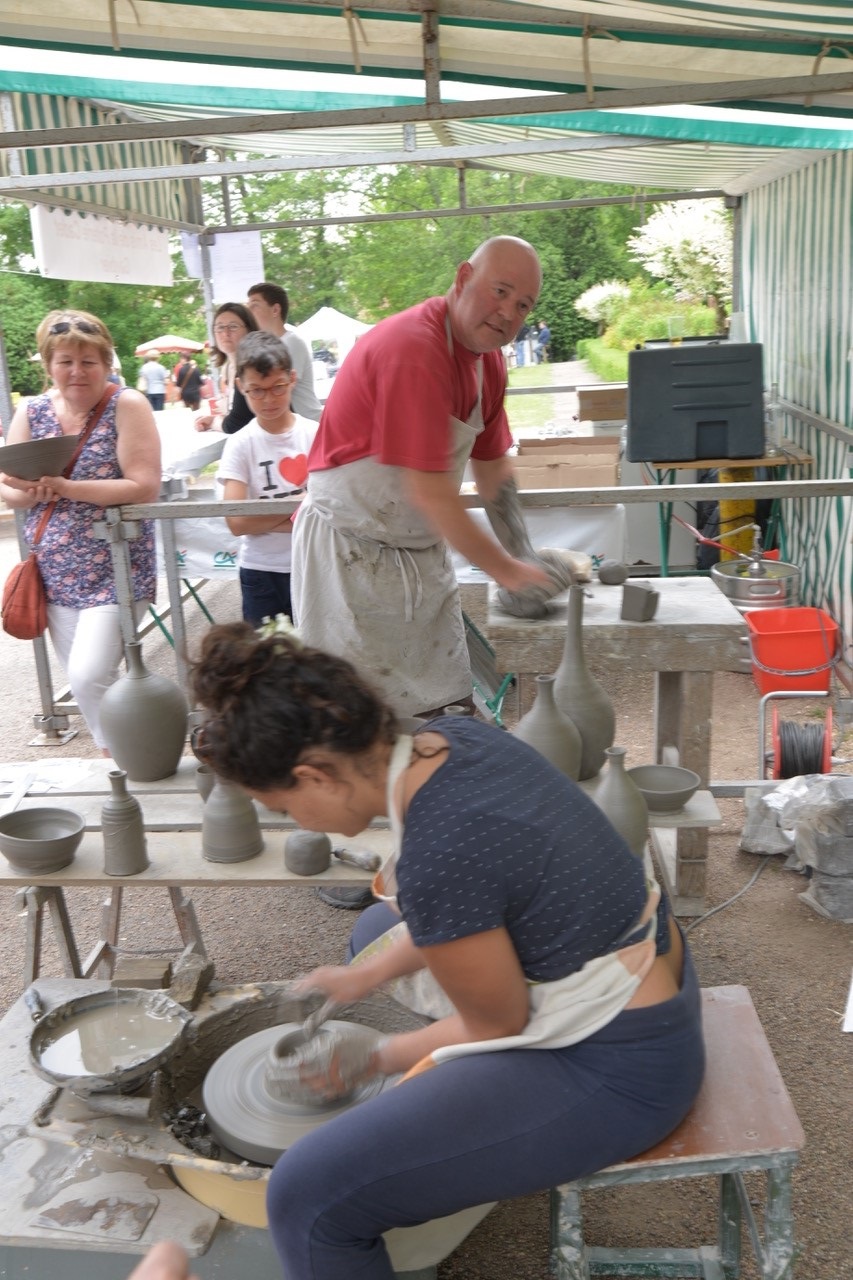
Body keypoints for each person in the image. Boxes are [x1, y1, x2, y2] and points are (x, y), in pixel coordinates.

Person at [189, 624, 706, 1280]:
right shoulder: (455, 740)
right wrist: (364, 976)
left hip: (621, 1064)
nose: (293, 821)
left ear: (314, 775)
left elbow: (498, 1021)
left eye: (283, 807)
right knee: (372, 935)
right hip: (646, 966)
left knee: (306, 1197)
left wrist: (370, 1058)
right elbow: (475, 897)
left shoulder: (442, 851)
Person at [291, 235, 552, 723]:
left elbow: (492, 468)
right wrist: (508, 572)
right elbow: (430, 491)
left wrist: (522, 551)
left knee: (445, 714)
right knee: (355, 727)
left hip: (417, 554)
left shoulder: (489, 364)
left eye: (523, 305)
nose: (508, 313)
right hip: (350, 556)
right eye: (500, 292)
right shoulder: (414, 347)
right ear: (463, 278)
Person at [0, 310, 161, 751]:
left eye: (88, 361)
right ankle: (123, 759)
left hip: (118, 567)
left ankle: (136, 757)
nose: (77, 371)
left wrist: (67, 487)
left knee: (89, 674)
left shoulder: (127, 404)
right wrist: (29, 490)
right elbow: (8, 488)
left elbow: (144, 486)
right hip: (55, 573)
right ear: (49, 365)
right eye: (66, 361)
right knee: (86, 679)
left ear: (106, 363)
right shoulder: (32, 410)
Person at [217, 332, 318, 627]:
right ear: (241, 387)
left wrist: (262, 519)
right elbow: (237, 522)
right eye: (257, 391)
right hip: (261, 571)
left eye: (277, 387)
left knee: (317, 651)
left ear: (293, 379)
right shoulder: (240, 443)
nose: (269, 399)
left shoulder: (315, 434)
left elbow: (329, 511)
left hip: (313, 565)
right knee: (267, 654)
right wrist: (302, 505)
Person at [246, 281, 323, 421]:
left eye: (254, 306)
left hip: (309, 425)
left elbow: (274, 386)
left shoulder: (291, 342)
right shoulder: (269, 346)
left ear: (275, 310)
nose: (248, 312)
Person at [194, 302, 258, 435]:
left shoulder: (252, 365)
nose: (225, 333)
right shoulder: (229, 367)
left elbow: (236, 424)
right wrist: (217, 418)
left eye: (233, 327)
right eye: (220, 327)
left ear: (249, 330)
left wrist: (213, 422)